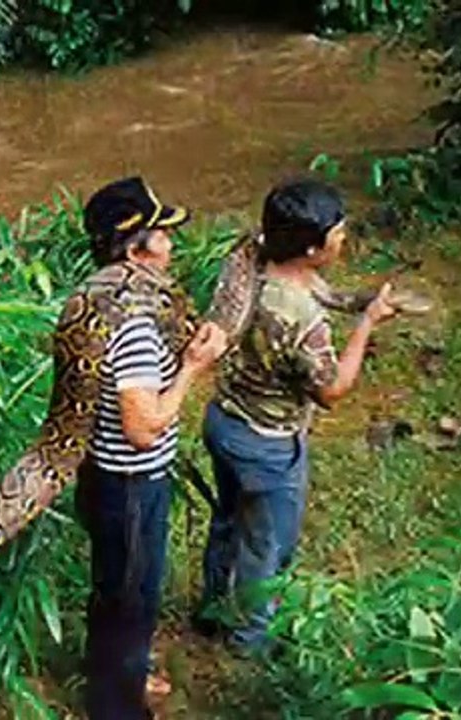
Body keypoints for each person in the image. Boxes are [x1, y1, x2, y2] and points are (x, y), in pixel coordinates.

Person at [194, 178, 399, 653]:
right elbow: (332, 390)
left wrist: (360, 300)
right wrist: (365, 326)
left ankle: (211, 610)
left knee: (227, 520)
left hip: (225, 419)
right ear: (311, 248)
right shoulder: (301, 320)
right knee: (267, 547)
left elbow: (319, 291)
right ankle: (249, 644)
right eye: (337, 233)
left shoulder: (258, 261)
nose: (344, 238)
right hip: (267, 445)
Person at [74, 178, 228, 720]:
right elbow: (144, 427)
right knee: (132, 602)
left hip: (99, 473)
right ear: (137, 248)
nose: (173, 244)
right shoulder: (135, 325)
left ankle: (120, 672)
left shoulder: (96, 298)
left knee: (111, 586)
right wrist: (191, 369)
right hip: (132, 484)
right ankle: (117, 704)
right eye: (164, 234)